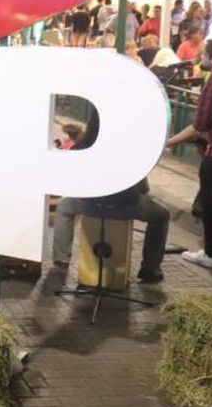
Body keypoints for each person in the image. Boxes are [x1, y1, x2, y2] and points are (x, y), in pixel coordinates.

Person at [41, 109, 172, 288]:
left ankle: (61, 262)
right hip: (126, 206)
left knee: (64, 208)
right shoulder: (132, 146)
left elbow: (72, 177)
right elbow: (143, 187)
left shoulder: (83, 144)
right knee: (161, 215)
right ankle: (150, 269)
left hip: (89, 204)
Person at [167, 38, 212, 269]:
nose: (201, 58)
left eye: (204, 55)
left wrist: (169, 142)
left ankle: (211, 254)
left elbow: (199, 124)